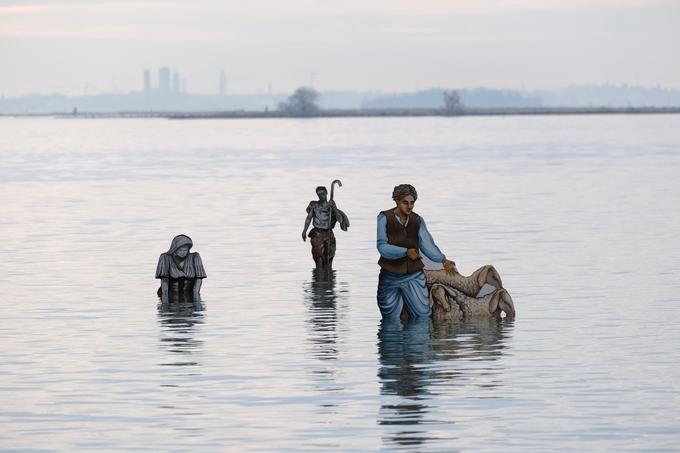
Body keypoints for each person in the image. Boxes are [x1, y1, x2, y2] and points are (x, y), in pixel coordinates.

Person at [376, 184, 455, 321]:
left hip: (413, 276)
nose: (410, 206)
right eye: (405, 202)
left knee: (422, 315)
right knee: (389, 319)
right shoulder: (384, 218)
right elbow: (382, 247)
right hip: (389, 276)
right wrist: (405, 252)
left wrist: (443, 260)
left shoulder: (418, 220)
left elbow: (427, 245)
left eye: (412, 203)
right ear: (397, 201)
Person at [302, 182, 349, 269]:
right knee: (319, 258)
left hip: (329, 234)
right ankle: (319, 279)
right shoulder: (314, 205)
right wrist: (304, 231)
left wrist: (334, 207)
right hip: (317, 234)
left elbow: (340, 220)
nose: (321, 196)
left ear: (326, 193)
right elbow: (309, 218)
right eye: (319, 194)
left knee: (329, 258)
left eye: (323, 193)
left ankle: (328, 280)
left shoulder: (331, 208)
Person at [155, 234, 207, 304]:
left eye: (185, 250)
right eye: (180, 250)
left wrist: (196, 297)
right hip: (169, 294)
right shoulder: (165, 258)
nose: (183, 252)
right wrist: (165, 300)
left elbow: (199, 279)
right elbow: (164, 282)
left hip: (189, 294)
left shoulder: (195, 257)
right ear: (174, 249)